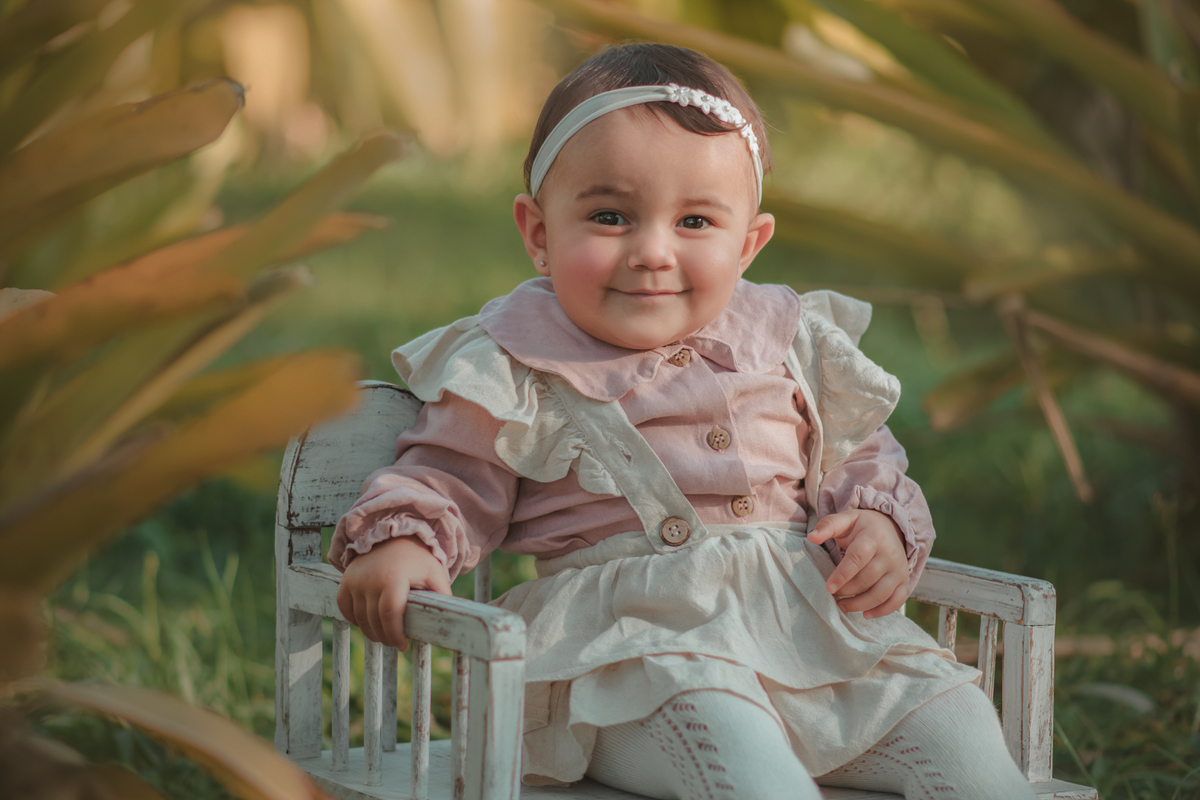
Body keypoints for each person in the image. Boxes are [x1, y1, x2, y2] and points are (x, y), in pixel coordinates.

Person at [330, 42, 1037, 800]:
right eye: (609, 216)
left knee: (963, 737)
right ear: (538, 233)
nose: (652, 252)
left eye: (696, 221)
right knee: (748, 773)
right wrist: (403, 541)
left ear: (748, 244)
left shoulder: (788, 340)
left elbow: (859, 458)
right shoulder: (513, 361)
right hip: (634, 659)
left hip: (818, 645)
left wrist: (880, 530)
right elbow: (448, 475)